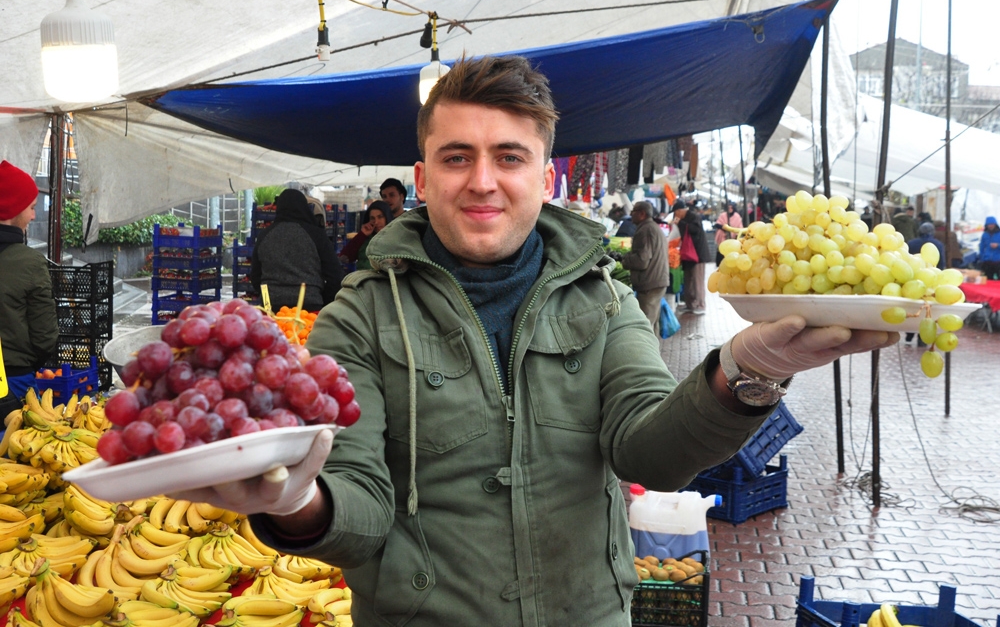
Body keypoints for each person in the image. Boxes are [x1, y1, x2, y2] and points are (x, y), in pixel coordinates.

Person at [177, 55, 897, 626]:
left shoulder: (605, 300)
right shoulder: (359, 317)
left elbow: (650, 452)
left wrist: (747, 369)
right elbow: (359, 512)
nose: (482, 182)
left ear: (544, 174)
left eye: (509, 157)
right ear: (424, 178)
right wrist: (294, 499)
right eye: (457, 158)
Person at [0, 160, 58, 419]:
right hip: (13, 380)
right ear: (11, 210)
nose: (34, 216)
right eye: (32, 208)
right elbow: (45, 335)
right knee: (18, 453)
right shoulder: (29, 262)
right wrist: (30, 364)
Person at [250, 189, 344, 312]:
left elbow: (256, 276)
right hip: (309, 305)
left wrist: (267, 298)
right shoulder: (316, 235)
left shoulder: (264, 235)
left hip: (271, 307)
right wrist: (322, 299)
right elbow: (335, 276)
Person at [620, 201, 669, 334]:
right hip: (656, 280)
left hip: (650, 283)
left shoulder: (645, 230)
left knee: (646, 325)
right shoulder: (652, 227)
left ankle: (649, 353)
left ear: (642, 214)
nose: (631, 215)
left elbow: (642, 261)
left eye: (633, 212)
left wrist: (625, 259)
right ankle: (655, 353)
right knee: (652, 323)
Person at [904, 222, 946, 347]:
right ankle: (922, 338)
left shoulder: (911, 243)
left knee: (912, 307)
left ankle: (909, 334)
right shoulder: (938, 244)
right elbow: (941, 264)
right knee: (927, 309)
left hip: (912, 282)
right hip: (931, 283)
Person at [672, 199, 711, 314]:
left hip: (697, 255)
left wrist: (680, 223)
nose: (675, 215)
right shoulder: (683, 219)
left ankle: (700, 304)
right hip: (687, 255)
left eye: (676, 212)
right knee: (688, 280)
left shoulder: (694, 216)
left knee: (697, 280)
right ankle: (690, 304)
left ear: (679, 211)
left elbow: (695, 230)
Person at [338, 200, 393, 271]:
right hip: (363, 279)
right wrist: (362, 234)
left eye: (380, 217)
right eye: (372, 218)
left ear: (387, 217)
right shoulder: (365, 238)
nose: (376, 222)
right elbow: (345, 258)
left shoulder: (395, 238)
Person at [713, 202, 742, 266]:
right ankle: (719, 264)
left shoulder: (737, 216)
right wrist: (724, 228)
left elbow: (740, 227)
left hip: (732, 237)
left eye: (731, 207)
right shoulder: (723, 215)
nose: (730, 209)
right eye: (728, 207)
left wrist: (736, 236)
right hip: (723, 236)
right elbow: (717, 224)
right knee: (721, 249)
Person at [980, 216, 1000, 280]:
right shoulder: (984, 234)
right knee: (988, 280)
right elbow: (981, 247)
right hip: (987, 261)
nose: (991, 226)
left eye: (992, 224)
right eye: (989, 224)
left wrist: (998, 245)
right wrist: (982, 258)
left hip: (998, 261)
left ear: (995, 224)